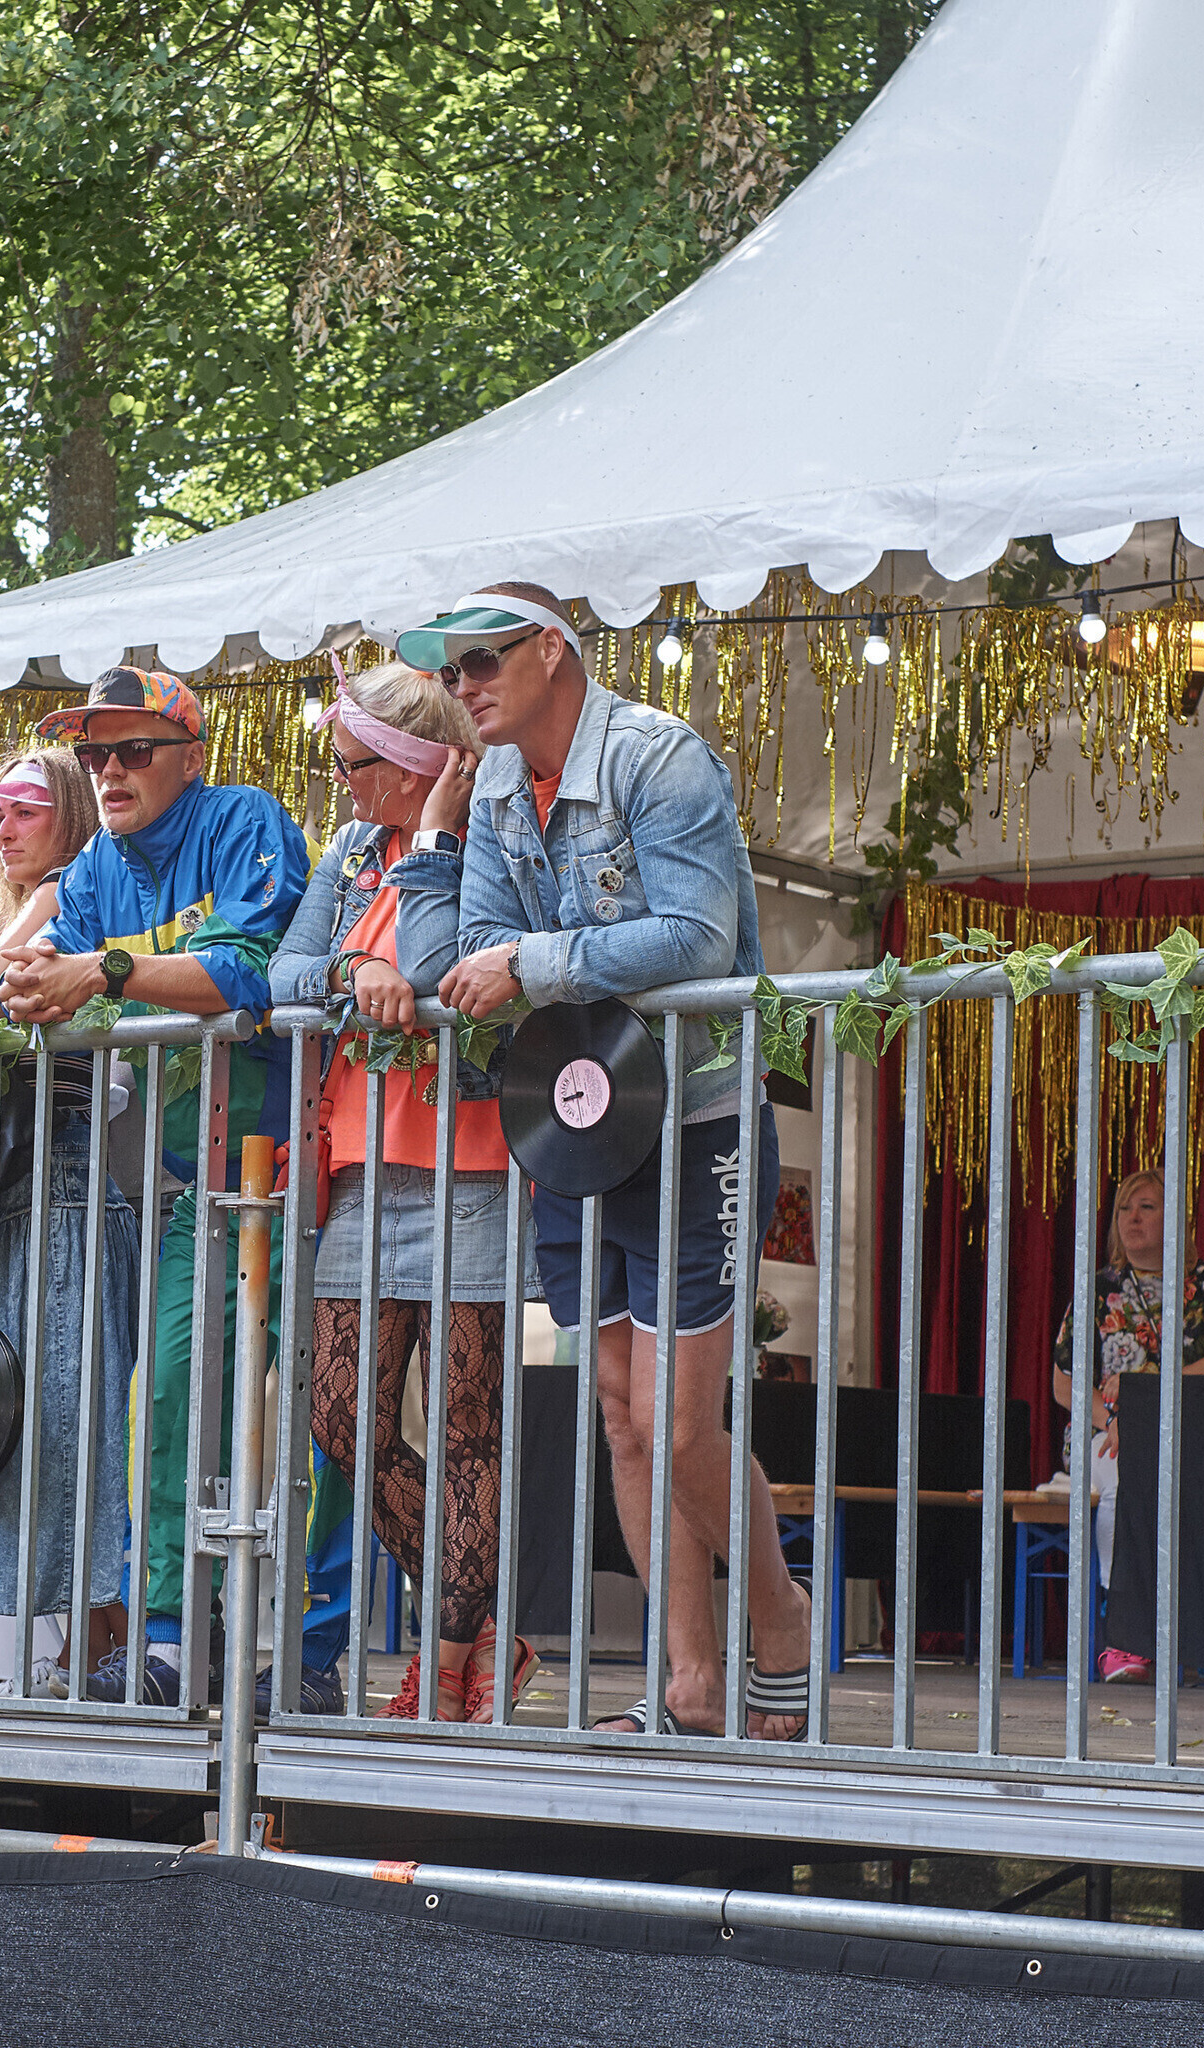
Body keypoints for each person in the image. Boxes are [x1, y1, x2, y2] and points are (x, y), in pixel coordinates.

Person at [422, 582, 813, 1740]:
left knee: (679, 1423)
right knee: (622, 1416)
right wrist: (481, 914)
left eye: (483, 659)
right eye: (451, 670)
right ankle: (688, 1680)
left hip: (699, 1114)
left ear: (552, 649)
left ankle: (781, 1617)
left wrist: (534, 964)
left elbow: (696, 935)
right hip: (581, 1119)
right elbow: (466, 947)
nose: (465, 685)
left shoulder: (656, 752)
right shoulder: (496, 782)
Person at [0, 666, 330, 1712]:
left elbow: (247, 975)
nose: (109, 770)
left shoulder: (242, 817)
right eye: (93, 754)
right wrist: (38, 963)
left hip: (311, 1165)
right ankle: (177, 1639)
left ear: (191, 754)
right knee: (174, 1392)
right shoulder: (95, 863)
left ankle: (323, 1651)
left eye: (133, 749)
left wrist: (100, 972)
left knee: (332, 1414)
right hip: (203, 1181)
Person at [267, 662, 531, 1722]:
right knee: (340, 1419)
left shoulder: (486, 839)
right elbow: (284, 974)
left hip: (471, 1157)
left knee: (469, 1426)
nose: (337, 782)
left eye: (353, 764)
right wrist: (347, 974)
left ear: (414, 766)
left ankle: (448, 1665)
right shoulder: (344, 851)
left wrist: (430, 844)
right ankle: (485, 1629)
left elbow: (434, 966)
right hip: (359, 1167)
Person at [0, 748, 138, 1681]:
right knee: (36, 1418)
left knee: (61, 1421)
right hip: (35, 1183)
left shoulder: (64, 891)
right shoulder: (50, 903)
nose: (0, 828)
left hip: (64, 1181)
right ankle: (88, 1648)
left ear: (69, 817)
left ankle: (102, 1646)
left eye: (21, 810)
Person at [1051, 1167, 1204, 1680]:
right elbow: (1064, 1385)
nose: (1132, 1218)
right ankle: (1129, 1638)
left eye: (1147, 1207)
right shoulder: (1097, 1290)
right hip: (1107, 1435)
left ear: (1176, 1217)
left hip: (1196, 1437)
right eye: (1124, 1209)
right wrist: (1122, 1420)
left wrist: (1148, 1405)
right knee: (1129, 1481)